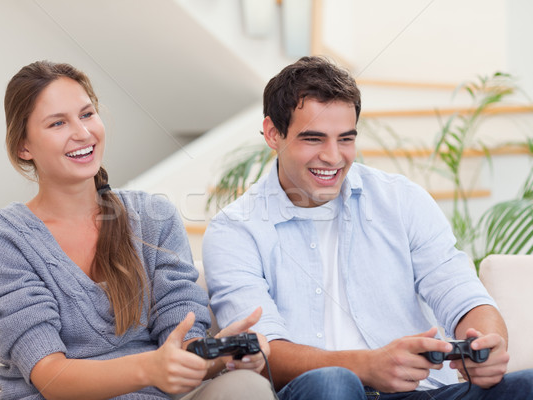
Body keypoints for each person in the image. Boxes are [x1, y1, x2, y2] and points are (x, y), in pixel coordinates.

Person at [202, 56, 533, 399]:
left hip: (423, 393)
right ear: (273, 133)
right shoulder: (235, 230)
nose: (333, 157)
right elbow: (263, 349)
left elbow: (462, 295)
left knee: (528, 384)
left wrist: (485, 345)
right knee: (334, 383)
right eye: (313, 139)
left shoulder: (401, 199)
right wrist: (367, 366)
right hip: (321, 393)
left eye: (345, 139)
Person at [0, 60, 275, 400]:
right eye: (58, 123)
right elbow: (51, 377)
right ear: (23, 147)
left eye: (87, 114)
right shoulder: (0, 240)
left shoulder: (153, 217)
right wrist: (150, 368)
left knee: (246, 387)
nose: (82, 133)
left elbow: (180, 341)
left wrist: (217, 356)